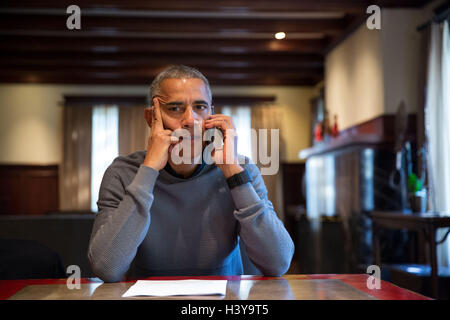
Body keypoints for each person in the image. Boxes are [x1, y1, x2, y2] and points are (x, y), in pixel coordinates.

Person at [88, 65, 294, 282]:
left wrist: (233, 172)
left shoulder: (241, 169)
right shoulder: (122, 173)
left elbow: (278, 263)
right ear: (151, 118)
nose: (190, 120)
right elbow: (106, 267)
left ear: (212, 116)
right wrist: (148, 170)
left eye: (200, 107)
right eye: (175, 108)